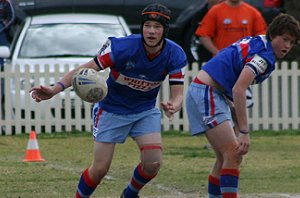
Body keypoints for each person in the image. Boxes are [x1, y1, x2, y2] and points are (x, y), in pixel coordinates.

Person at [29, 3, 187, 198]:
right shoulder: (122, 47)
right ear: (142, 27)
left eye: (157, 27)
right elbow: (84, 70)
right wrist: (54, 89)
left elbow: (178, 94)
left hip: (144, 111)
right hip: (111, 110)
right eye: (147, 26)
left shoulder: (175, 53)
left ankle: (129, 194)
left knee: (153, 164)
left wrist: (174, 105)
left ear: (165, 30)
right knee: (100, 169)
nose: (151, 31)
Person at [186, 13, 300, 198]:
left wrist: (227, 97)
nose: (287, 45)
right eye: (284, 39)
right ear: (273, 35)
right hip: (207, 92)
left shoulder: (260, 42)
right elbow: (240, 89)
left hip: (209, 91)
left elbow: (230, 63)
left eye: (292, 42)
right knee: (233, 153)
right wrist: (244, 132)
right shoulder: (264, 57)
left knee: (226, 156)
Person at [195, 0, 267, 57]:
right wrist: (217, 53)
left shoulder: (253, 12)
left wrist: (252, 53)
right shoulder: (215, 11)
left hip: (244, 62)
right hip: (222, 62)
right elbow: (203, 35)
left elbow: (262, 37)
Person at [0, 0, 15, 68]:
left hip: (1, 29)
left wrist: (4, 26)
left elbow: (11, 16)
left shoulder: (6, 2)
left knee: (3, 50)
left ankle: (3, 66)